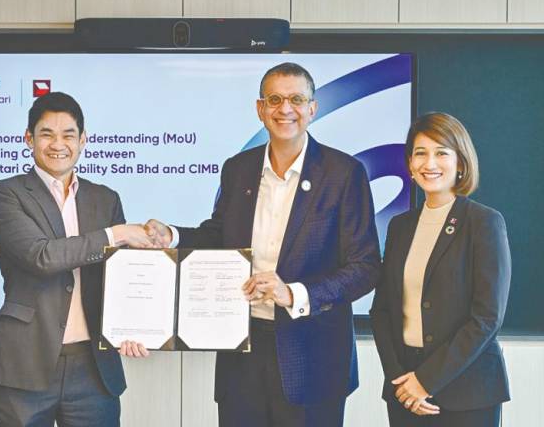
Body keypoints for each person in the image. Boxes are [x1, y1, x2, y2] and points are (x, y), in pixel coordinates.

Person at [146, 62, 380, 426]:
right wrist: (172, 236)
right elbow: (218, 236)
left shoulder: (344, 173)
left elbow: (365, 267)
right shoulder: (238, 169)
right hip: (242, 353)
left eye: (296, 99)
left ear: (312, 109)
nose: (285, 109)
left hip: (313, 358)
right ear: (260, 108)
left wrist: (294, 293)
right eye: (275, 99)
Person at [0, 91, 153, 427]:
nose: (58, 144)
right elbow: (40, 256)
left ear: (83, 140)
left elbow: (119, 278)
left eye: (68, 135)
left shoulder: (105, 199)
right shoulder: (3, 193)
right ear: (29, 139)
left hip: (93, 366)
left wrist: (134, 325)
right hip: (25, 364)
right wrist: (114, 234)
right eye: (46, 134)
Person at [370, 112, 511, 426]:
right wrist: (400, 381)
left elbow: (486, 318)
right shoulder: (400, 226)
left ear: (460, 162)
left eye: (441, 153)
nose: (429, 163)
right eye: (420, 153)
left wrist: (426, 381)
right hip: (404, 388)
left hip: (467, 391)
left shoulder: (484, 223)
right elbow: (382, 311)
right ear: (409, 164)